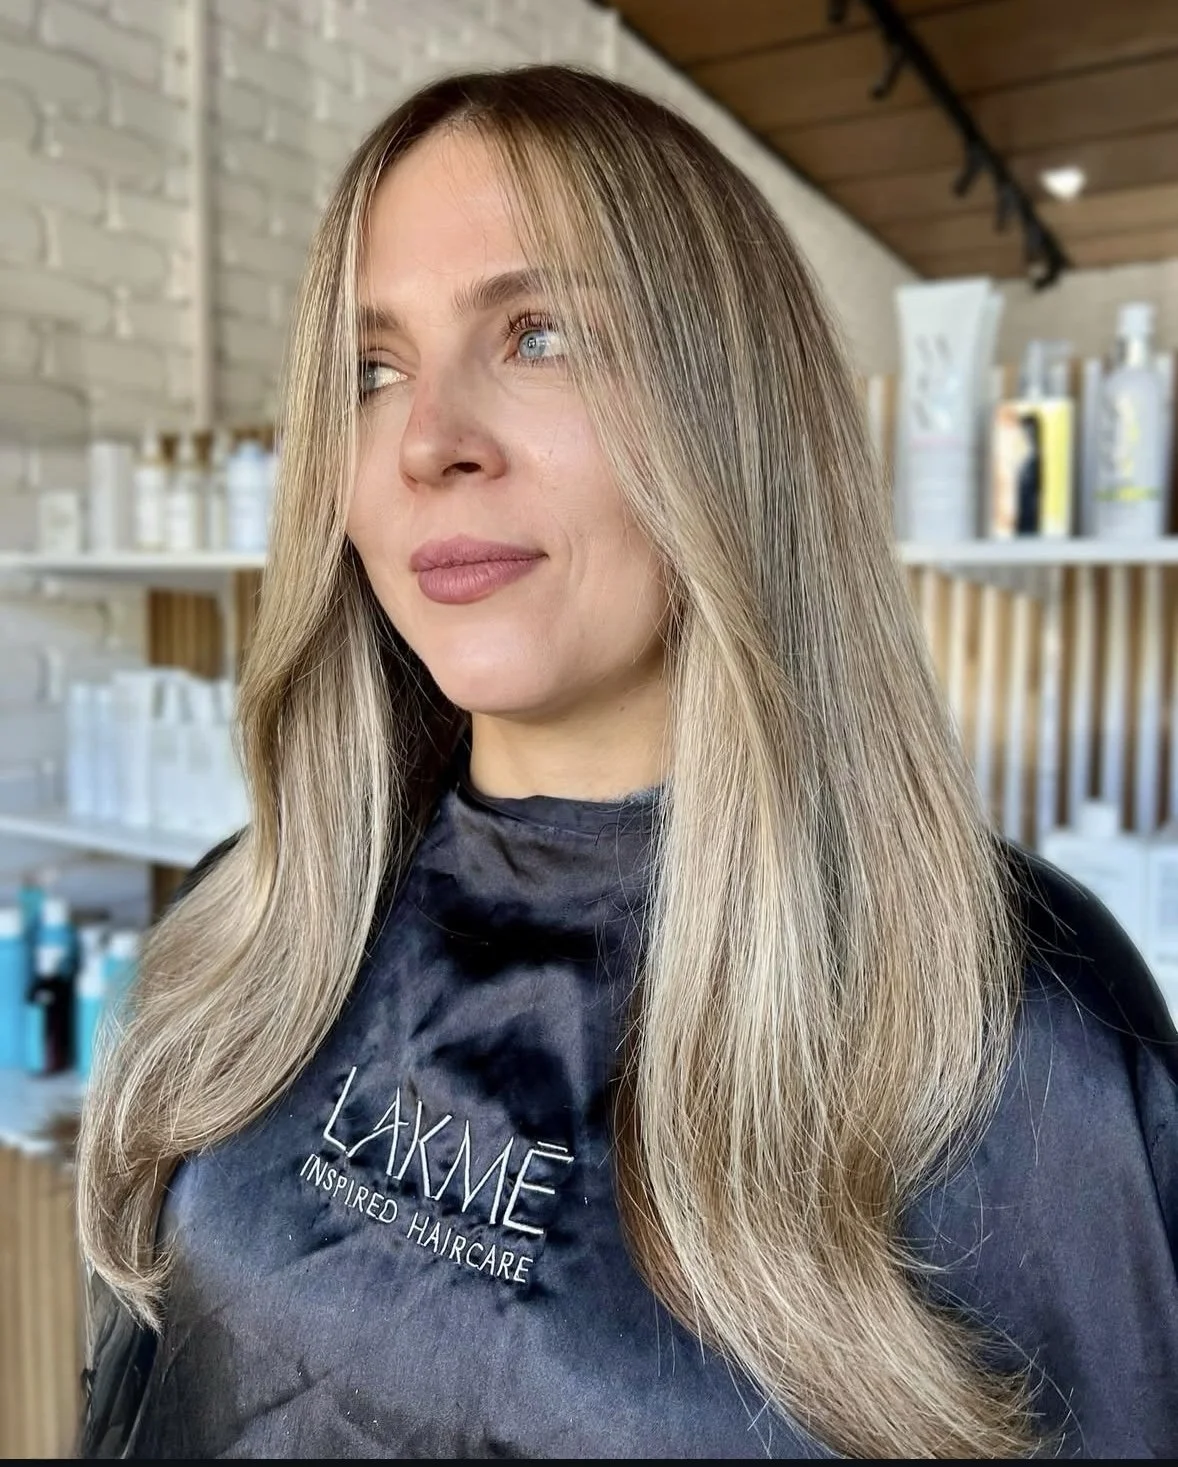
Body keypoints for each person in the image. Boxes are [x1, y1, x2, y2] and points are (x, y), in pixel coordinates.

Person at [75, 64, 1177, 1460]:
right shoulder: (253, 918)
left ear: (735, 413)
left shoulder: (1009, 1029)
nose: (429, 442)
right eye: (372, 370)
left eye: (538, 336)